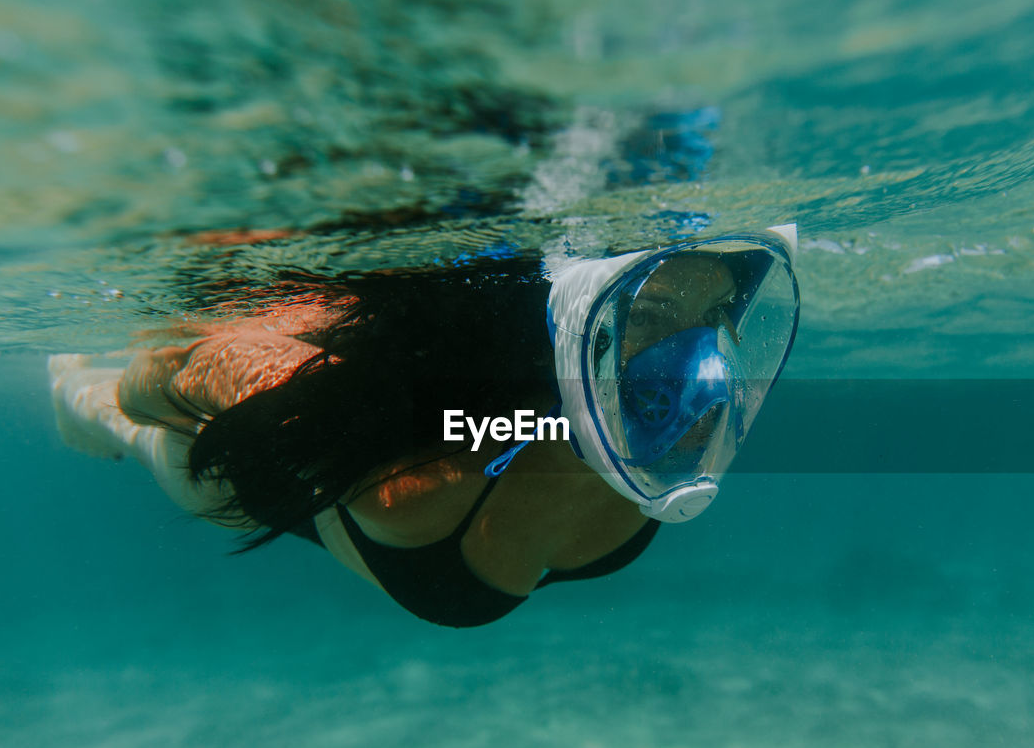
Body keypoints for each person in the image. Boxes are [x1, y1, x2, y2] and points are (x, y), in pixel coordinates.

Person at [49, 226, 800, 627]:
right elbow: (175, 371)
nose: (701, 368)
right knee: (163, 442)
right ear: (584, 335)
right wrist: (123, 393)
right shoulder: (434, 459)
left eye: (712, 322)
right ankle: (81, 405)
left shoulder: (655, 434)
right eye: (657, 321)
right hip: (363, 507)